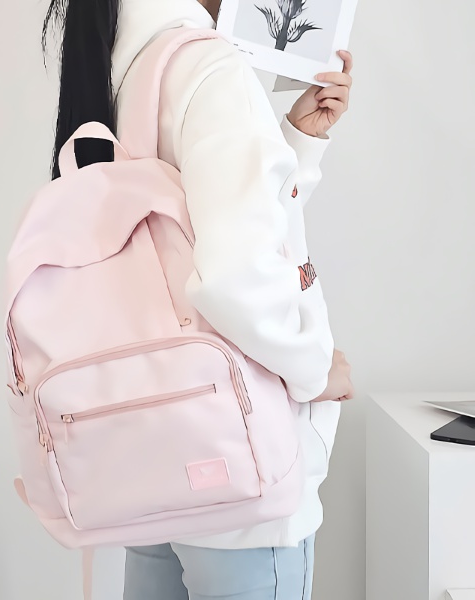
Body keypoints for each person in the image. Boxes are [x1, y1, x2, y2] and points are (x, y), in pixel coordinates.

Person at [43, 0, 355, 598]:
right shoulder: (211, 68)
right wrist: (316, 373)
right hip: (240, 471)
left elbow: (178, 245)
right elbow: (236, 277)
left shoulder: (126, 61)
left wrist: (296, 142)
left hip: (153, 459)